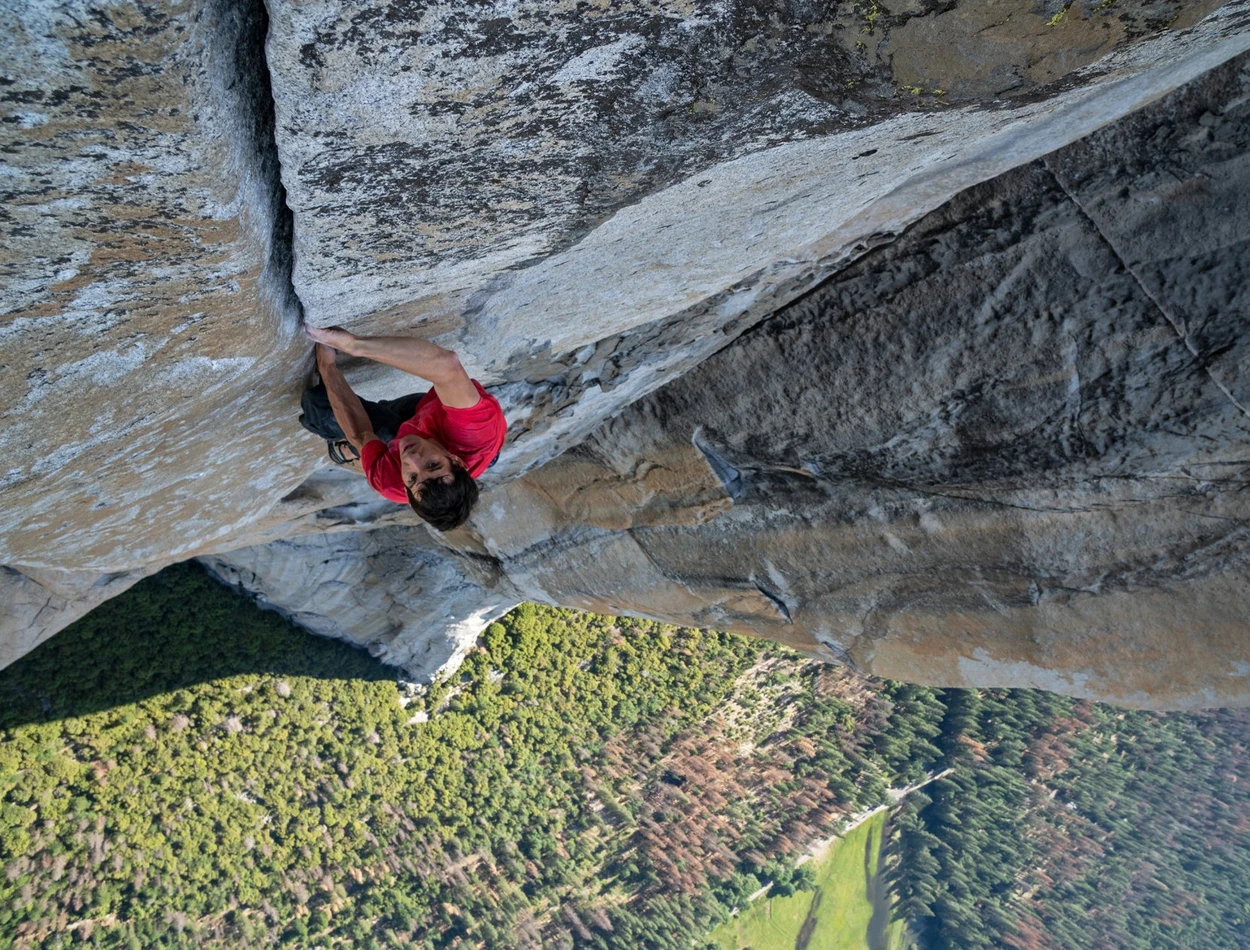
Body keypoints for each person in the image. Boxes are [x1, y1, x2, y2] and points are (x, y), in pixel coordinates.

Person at [298, 325, 506, 531]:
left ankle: (349, 452)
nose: (412, 458)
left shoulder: (391, 483)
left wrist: (327, 366)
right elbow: (447, 367)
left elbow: (361, 435)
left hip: (422, 428)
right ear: (455, 460)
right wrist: (354, 345)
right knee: (394, 424)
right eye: (433, 465)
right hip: (432, 418)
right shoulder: (473, 434)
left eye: (413, 478)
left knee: (318, 407)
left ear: (406, 491)